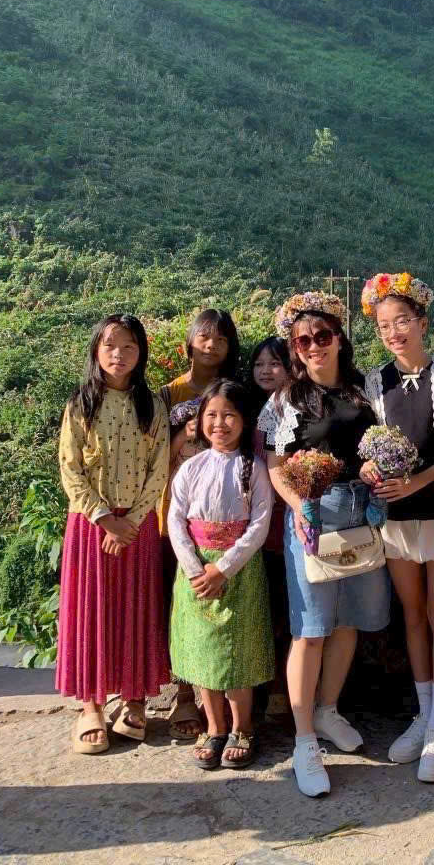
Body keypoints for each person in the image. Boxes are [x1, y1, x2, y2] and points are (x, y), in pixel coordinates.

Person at [262, 291, 391, 797]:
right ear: (294, 347)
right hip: (314, 515)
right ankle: (304, 741)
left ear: (339, 338)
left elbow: (376, 446)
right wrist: (298, 506)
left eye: (322, 336)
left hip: (362, 513)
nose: (314, 346)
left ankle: (328, 709)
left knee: (349, 619)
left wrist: (376, 474)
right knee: (311, 628)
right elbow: (275, 464)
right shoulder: (286, 400)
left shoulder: (365, 391)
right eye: (303, 340)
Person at [361, 272, 434, 784]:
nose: (394, 332)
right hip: (397, 515)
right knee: (411, 615)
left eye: (402, 321)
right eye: (385, 325)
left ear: (422, 323)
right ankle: (424, 717)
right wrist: (371, 469)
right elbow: (370, 443)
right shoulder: (375, 381)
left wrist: (419, 481)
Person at [57, 314, 169, 753]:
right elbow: (70, 468)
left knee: (136, 609)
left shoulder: (152, 406)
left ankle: (136, 700)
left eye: (128, 346)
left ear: (141, 353)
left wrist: (132, 521)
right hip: (91, 527)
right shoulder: (81, 403)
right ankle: (92, 705)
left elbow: (159, 469)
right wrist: (106, 519)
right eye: (109, 346)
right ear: (96, 351)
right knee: (93, 611)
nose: (118, 355)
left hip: (138, 526)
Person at [167, 379, 275, 770]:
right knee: (205, 652)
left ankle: (242, 728)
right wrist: (196, 569)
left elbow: (259, 524)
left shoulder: (254, 469)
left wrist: (224, 568)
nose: (219, 424)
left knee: (237, 653)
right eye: (211, 415)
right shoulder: (191, 468)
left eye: (229, 415)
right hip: (195, 575)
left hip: (239, 573)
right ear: (199, 420)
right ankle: (214, 728)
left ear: (244, 421)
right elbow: (176, 520)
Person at [158, 308, 241, 741]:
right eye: (205, 337)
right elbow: (153, 453)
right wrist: (184, 435)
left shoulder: (234, 392)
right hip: (174, 513)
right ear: (189, 341)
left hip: (224, 520)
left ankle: (230, 699)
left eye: (221, 339)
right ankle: (185, 695)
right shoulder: (168, 393)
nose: (211, 345)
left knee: (224, 610)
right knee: (182, 607)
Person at [247, 336, 292, 720]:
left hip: (287, 519)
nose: (265, 370)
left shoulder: (296, 405)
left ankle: (282, 688)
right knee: (263, 606)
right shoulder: (249, 405)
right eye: (259, 364)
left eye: (274, 363)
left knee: (286, 606)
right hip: (254, 522)